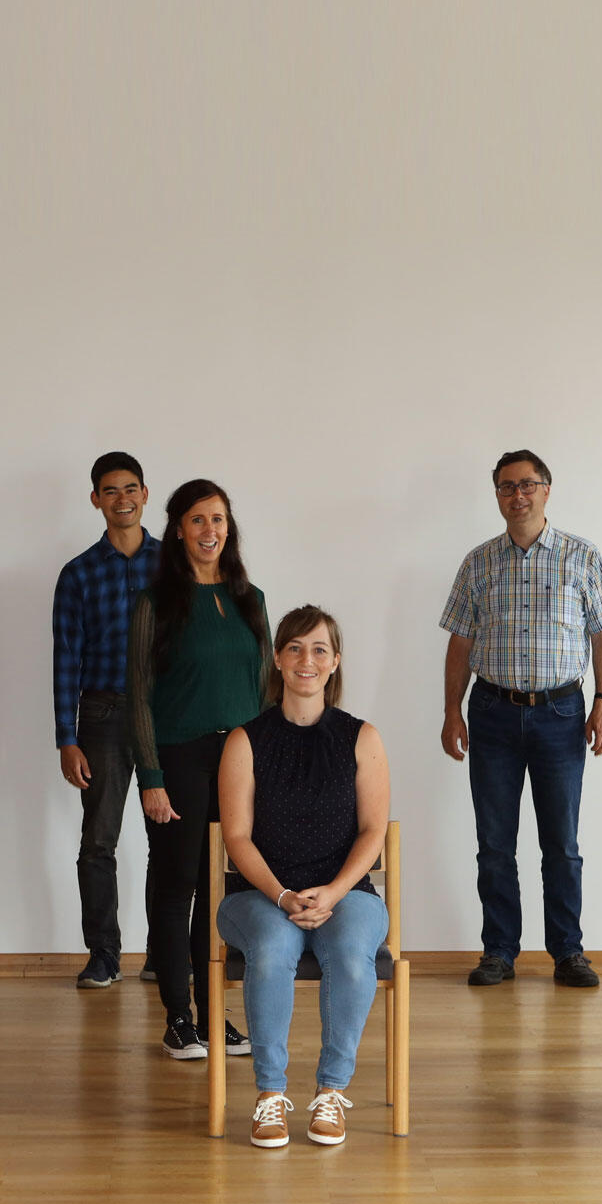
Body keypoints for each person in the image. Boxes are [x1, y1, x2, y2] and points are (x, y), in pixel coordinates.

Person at [440, 449, 602, 988]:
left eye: (527, 484)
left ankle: (568, 951)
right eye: (505, 487)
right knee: (494, 843)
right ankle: (499, 951)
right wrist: (452, 710)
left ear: (547, 489)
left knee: (561, 844)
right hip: (493, 713)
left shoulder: (581, 557)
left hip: (562, 713)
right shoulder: (478, 563)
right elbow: (461, 641)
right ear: (496, 494)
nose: (516, 495)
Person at [217, 606, 391, 1148]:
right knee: (270, 949)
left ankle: (331, 1092)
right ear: (277, 658)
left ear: (335, 662)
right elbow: (237, 838)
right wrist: (284, 894)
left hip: (347, 893)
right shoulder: (245, 741)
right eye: (294, 648)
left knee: (351, 954)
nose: (306, 660)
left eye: (319, 649)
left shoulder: (362, 737)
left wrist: (334, 892)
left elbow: (373, 831)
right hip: (260, 894)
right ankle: (270, 1096)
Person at [128, 479, 270, 1061]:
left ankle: (216, 1016)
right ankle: (178, 1018)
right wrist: (151, 778)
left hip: (239, 759)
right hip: (179, 757)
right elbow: (138, 694)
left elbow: (264, 687)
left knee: (222, 892)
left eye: (218, 519)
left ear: (228, 527)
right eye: (196, 520)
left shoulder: (250, 599)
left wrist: (270, 767)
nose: (209, 530)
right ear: (177, 529)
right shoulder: (154, 603)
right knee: (177, 886)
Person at [52, 452, 161, 988]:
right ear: (96, 499)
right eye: (111, 490)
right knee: (99, 840)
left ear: (146, 494)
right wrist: (66, 738)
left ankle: (164, 953)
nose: (123, 498)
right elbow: (66, 658)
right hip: (102, 714)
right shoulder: (78, 573)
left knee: (170, 839)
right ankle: (104, 954)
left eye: (131, 488)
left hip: (167, 717)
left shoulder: (177, 563)